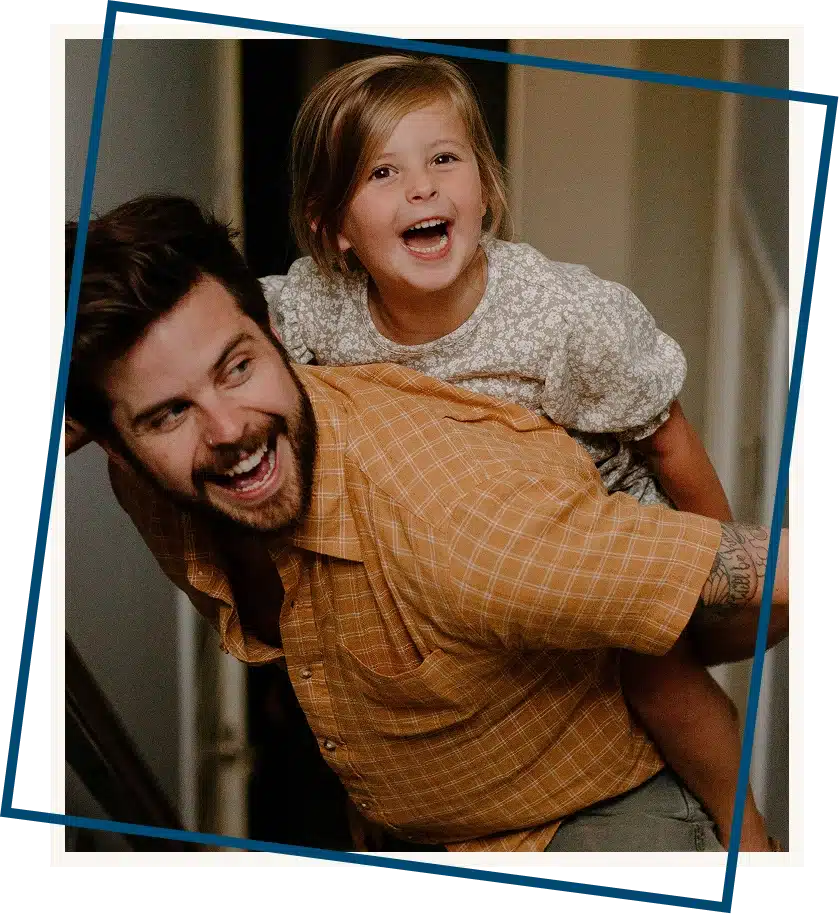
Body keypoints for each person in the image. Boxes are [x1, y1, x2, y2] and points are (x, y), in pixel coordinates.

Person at [64, 193, 788, 853]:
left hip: (596, 826)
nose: (228, 431)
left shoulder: (460, 522)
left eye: (237, 369)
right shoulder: (146, 477)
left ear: (275, 333)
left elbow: (778, 573)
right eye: (170, 413)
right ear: (111, 441)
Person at [256, 54, 775, 850]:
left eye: (443, 158)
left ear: (485, 189)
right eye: (382, 172)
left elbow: (667, 439)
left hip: (593, 520)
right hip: (451, 544)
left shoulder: (564, 317)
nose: (421, 188)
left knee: (658, 677)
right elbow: (224, 324)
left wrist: (715, 575)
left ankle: (752, 837)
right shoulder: (319, 308)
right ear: (333, 228)